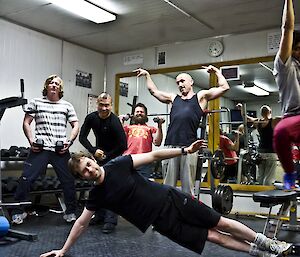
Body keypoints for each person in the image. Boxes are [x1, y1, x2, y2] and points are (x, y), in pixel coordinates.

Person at [40, 140, 292, 257]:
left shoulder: (118, 164)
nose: (89, 170)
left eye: (88, 164)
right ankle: (259, 253)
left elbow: (154, 156)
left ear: (93, 160)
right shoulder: (97, 195)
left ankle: (268, 243)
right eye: (83, 171)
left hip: (171, 199)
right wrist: (64, 250)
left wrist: (184, 150)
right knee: (212, 237)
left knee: (220, 224)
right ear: (82, 176)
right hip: (161, 222)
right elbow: (81, 223)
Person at [134, 65, 229, 195]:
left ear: (191, 82)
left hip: (190, 147)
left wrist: (217, 72)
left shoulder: (200, 97)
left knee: (187, 189)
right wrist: (147, 75)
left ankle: (186, 214)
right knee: (168, 187)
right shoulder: (173, 98)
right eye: (178, 82)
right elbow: (153, 91)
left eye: (182, 81)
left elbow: (224, 88)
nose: (180, 84)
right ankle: (168, 213)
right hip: (170, 146)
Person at [12, 74, 79, 224]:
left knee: (68, 180)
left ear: (60, 88)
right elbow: (26, 122)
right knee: (26, 178)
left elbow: (76, 125)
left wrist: (70, 141)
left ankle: (70, 212)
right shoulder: (36, 102)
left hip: (60, 150)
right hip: (40, 149)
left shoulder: (67, 105)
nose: (54, 85)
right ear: (46, 86)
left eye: (57, 83)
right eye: (51, 83)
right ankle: (18, 211)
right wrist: (31, 141)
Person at [79, 92, 127, 234]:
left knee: (111, 189)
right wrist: (93, 151)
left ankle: (110, 221)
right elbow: (82, 137)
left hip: (114, 156)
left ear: (111, 105)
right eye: (101, 105)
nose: (104, 108)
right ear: (97, 104)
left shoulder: (114, 121)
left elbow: (123, 145)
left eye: (107, 105)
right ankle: (99, 216)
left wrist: (107, 156)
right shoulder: (91, 118)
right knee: (98, 187)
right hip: (99, 156)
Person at [273, 0, 300, 189]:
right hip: (293, 119)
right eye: (296, 48)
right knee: (281, 130)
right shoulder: (285, 67)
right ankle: (290, 174)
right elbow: (287, 28)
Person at [238, 104, 281, 185]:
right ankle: (266, 195)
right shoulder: (274, 121)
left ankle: (260, 194)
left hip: (260, 153)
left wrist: (242, 109)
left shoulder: (258, 122)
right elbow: (287, 117)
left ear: (261, 113)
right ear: (270, 112)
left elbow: (246, 118)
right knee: (269, 178)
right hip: (271, 153)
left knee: (260, 177)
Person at [120, 102, 164, 178]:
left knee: (142, 187)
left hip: (144, 161)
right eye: (137, 112)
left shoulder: (151, 129)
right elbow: (120, 139)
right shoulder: (127, 128)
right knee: (126, 185)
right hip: (128, 159)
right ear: (133, 114)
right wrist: (121, 122)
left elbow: (157, 142)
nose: (139, 113)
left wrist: (159, 125)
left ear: (146, 115)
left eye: (142, 112)